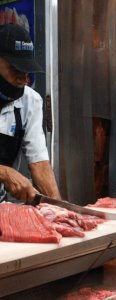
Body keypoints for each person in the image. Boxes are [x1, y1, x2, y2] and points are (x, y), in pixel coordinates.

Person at [0, 23, 60, 202]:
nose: (22, 78)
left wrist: (61, 211)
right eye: (15, 69)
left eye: (25, 70)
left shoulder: (30, 101)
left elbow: (39, 163)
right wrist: (4, 172)